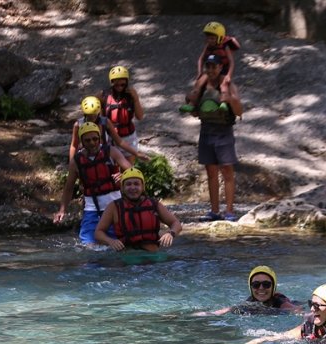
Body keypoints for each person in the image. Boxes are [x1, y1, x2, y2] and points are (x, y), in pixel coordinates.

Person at [184, 53, 243, 222]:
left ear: (220, 67)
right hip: (206, 131)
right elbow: (195, 111)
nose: (210, 70)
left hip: (224, 132)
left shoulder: (228, 84)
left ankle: (230, 210)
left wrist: (230, 99)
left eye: (213, 66)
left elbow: (239, 111)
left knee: (227, 171)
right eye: (208, 66)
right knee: (211, 172)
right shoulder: (201, 84)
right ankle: (214, 210)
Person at [53, 121, 131, 244]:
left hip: (115, 205)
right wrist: (62, 210)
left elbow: (132, 171)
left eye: (95, 139)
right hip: (92, 208)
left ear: (100, 138)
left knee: (120, 242)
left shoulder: (111, 152)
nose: (92, 143)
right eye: (88, 140)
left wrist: (124, 176)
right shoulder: (76, 161)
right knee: (88, 244)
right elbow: (69, 188)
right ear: (82, 142)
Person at [94, 167, 182, 252]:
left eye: (136, 184)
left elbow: (176, 223)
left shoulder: (154, 204)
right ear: (122, 188)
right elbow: (98, 232)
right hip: (128, 255)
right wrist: (111, 241)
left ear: (143, 187)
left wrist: (171, 233)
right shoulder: (113, 207)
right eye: (128, 184)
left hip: (153, 255)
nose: (132, 188)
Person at [69, 95, 145, 166]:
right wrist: (72, 163)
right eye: (89, 116)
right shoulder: (78, 125)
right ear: (85, 114)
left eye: (94, 115)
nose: (92, 118)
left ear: (98, 113)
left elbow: (119, 142)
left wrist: (136, 153)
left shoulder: (105, 122)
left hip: (104, 156)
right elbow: (74, 145)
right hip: (86, 156)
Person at [196, 265, 301, 315]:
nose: (261, 288)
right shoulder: (249, 303)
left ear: (273, 287)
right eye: (256, 284)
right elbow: (223, 311)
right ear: (250, 287)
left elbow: (299, 311)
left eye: (266, 284)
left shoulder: (280, 302)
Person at [100, 65, 144, 155]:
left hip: (129, 137)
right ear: (111, 83)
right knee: (113, 167)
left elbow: (139, 116)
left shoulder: (131, 95)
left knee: (128, 167)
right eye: (116, 85)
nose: (119, 87)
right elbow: (90, 104)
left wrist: (136, 99)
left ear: (127, 83)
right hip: (111, 137)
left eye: (122, 85)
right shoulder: (103, 95)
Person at [193, 21, 239, 100]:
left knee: (223, 86)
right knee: (198, 84)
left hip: (223, 70)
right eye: (208, 38)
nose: (209, 40)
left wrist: (229, 75)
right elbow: (201, 59)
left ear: (220, 38)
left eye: (212, 38)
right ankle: (193, 103)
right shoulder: (208, 46)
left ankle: (224, 102)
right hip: (210, 68)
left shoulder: (225, 46)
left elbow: (231, 62)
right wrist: (200, 72)